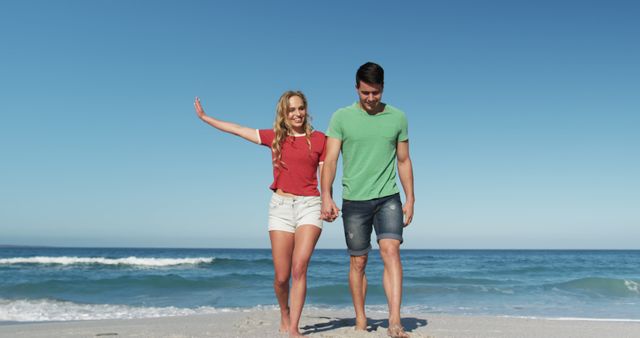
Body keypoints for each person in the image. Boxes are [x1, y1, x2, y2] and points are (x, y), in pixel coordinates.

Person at [195, 91, 326, 337]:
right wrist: (206, 118)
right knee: (281, 276)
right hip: (280, 207)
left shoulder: (320, 140)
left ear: (306, 110)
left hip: (310, 205)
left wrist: (328, 200)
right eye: (291, 110)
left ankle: (294, 328)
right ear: (284, 114)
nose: (297, 114)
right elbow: (237, 129)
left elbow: (327, 175)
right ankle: (284, 312)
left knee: (300, 267)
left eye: (300, 108)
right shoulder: (276, 137)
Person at [320, 62, 415, 338]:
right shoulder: (340, 118)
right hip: (354, 200)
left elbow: (404, 160)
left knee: (391, 252)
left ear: (383, 88)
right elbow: (330, 160)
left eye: (375, 93)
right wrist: (326, 196)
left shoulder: (398, 118)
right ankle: (361, 319)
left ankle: (394, 321)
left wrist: (411, 199)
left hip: (388, 197)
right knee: (358, 262)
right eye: (365, 93)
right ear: (356, 88)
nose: (371, 99)